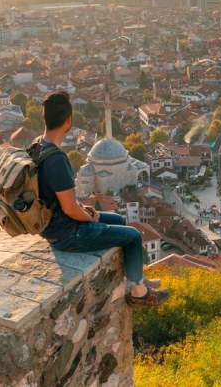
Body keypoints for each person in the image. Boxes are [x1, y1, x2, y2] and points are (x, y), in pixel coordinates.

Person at [34, 91, 168, 307]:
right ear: (69, 120)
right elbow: (69, 208)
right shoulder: (57, 160)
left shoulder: (37, 148)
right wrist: (89, 218)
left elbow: (60, 200)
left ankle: (135, 277)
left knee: (119, 221)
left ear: (45, 119)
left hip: (53, 224)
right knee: (133, 236)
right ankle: (138, 292)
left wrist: (86, 210)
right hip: (66, 233)